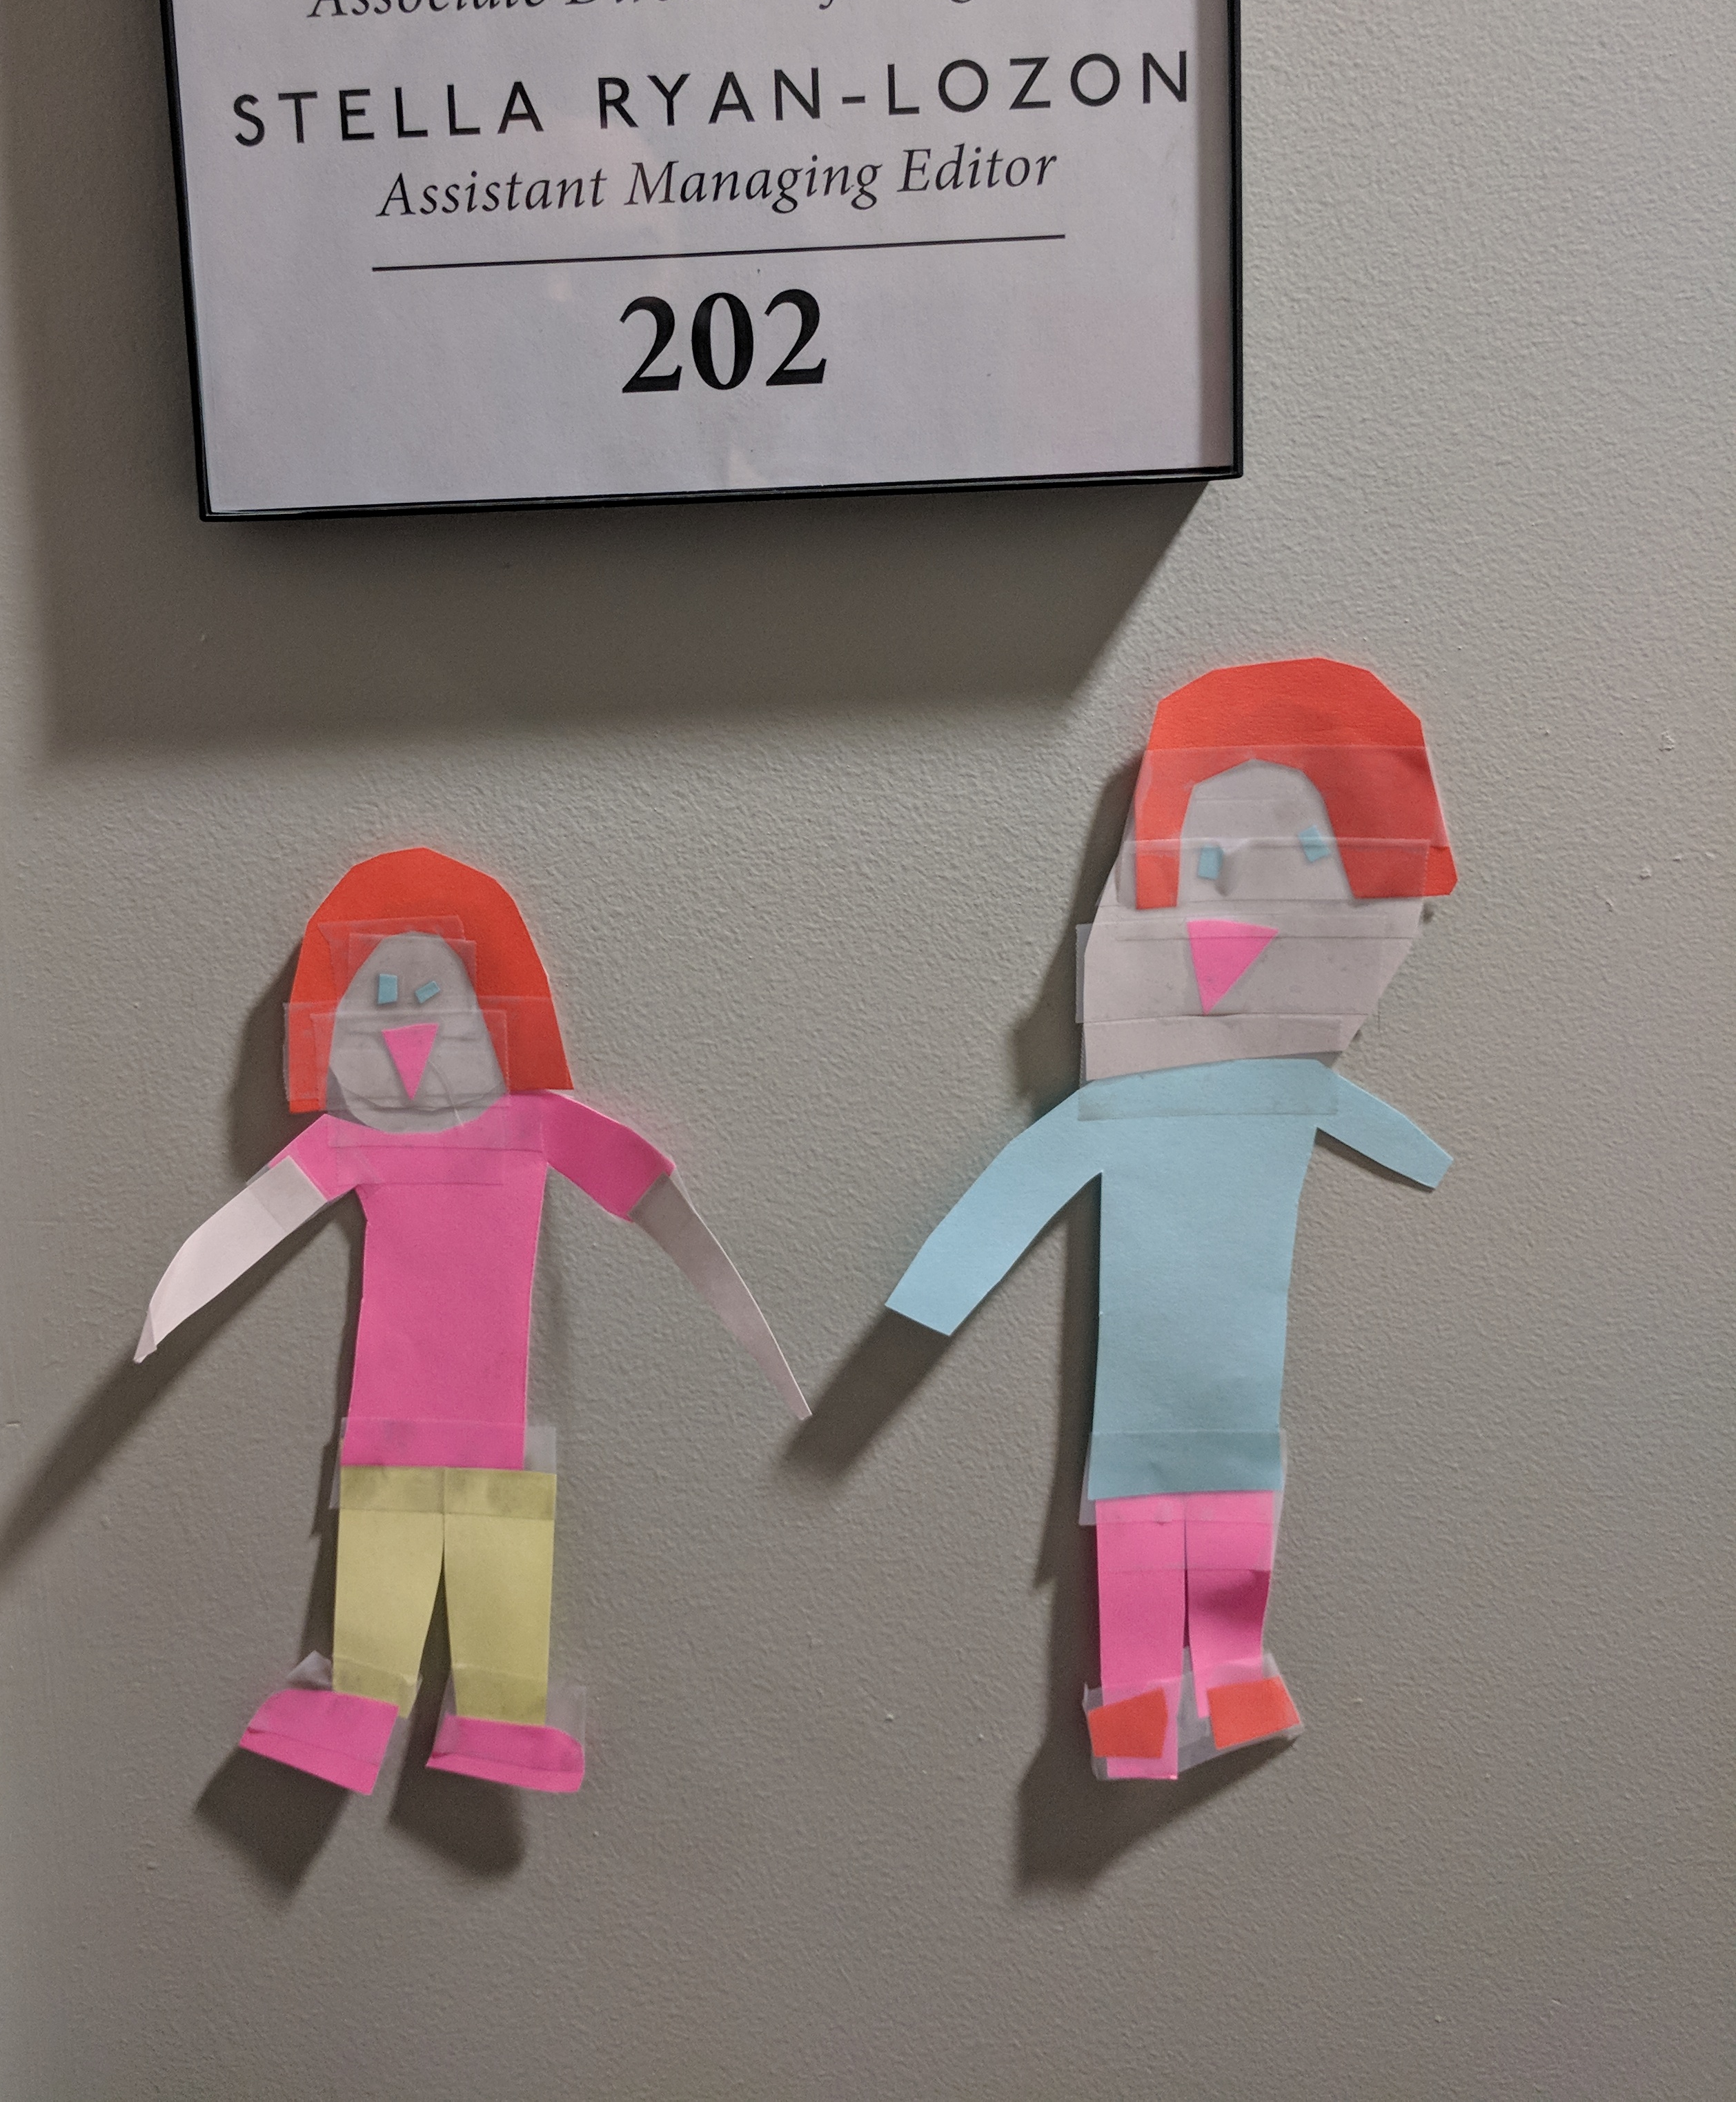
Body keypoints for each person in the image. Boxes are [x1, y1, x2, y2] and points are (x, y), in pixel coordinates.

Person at [887, 660, 1456, 1779]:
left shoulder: (1278, 1085)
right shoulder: (1131, 1105)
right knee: (1148, 1533)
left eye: (1303, 859)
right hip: (1145, 1405)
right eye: (1208, 864)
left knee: (1235, 1522)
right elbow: (1025, 1181)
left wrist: (1427, 1161)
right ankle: (1141, 1717)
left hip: (1236, 1393)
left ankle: (1231, 1685)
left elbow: (1361, 1122)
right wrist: (933, 1299)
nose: (1237, 913)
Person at [137, 846, 805, 1796]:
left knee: (498, 1576)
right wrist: (165, 1312)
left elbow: (655, 1201)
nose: (409, 1028)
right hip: (394, 1427)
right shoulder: (356, 1138)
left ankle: (493, 1721)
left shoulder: (533, 1126)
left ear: (497, 1010)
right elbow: (251, 1222)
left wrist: (756, 1341)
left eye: (429, 996)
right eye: (382, 998)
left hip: (487, 1431)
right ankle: (360, 1713)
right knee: (390, 1574)